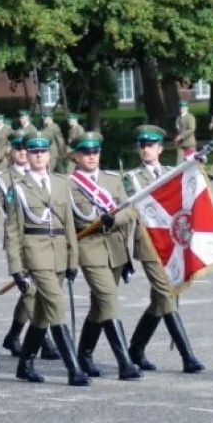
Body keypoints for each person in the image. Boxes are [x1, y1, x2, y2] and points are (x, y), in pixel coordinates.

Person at [3, 131, 90, 386]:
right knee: (56, 306)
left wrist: (73, 259)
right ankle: (74, 369)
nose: (39, 156)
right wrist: (16, 268)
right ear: (27, 155)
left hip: (60, 251)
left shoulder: (62, 183)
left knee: (41, 314)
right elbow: (12, 231)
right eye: (33, 152)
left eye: (42, 152)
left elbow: (70, 225)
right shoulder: (17, 188)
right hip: (36, 252)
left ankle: (25, 364)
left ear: (49, 155)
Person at [124, 126, 205, 374]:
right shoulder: (132, 178)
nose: (146, 150)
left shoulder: (173, 173)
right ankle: (187, 356)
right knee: (166, 295)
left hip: (171, 244)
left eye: (151, 145)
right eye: (142, 146)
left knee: (158, 302)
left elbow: (189, 193)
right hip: (149, 244)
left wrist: (196, 166)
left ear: (160, 148)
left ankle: (135, 349)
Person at [68, 131, 143, 381]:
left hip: (116, 248)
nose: (91, 156)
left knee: (100, 306)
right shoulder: (69, 184)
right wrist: (99, 222)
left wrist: (113, 220)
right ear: (76, 156)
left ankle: (84, 355)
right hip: (90, 250)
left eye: (95, 152)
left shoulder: (111, 180)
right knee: (109, 300)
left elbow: (130, 211)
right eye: (86, 152)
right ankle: (125, 363)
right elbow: (74, 219)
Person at [174, 101, 196, 165]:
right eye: (181, 107)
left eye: (184, 107)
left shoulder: (190, 117)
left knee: (192, 161)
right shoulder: (178, 117)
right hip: (181, 143)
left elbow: (192, 129)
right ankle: (179, 174)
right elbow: (178, 129)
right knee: (179, 162)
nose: (182, 108)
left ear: (187, 108)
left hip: (189, 143)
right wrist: (177, 138)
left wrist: (181, 136)